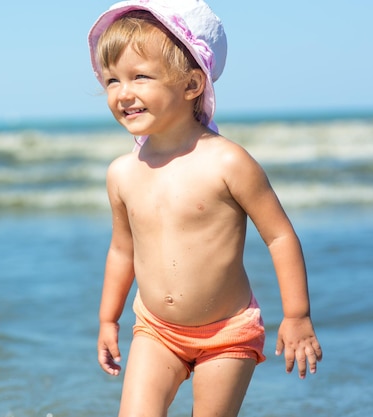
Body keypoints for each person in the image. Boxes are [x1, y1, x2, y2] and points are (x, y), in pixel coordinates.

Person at [87, 1, 323, 416]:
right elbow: (122, 250)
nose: (123, 93)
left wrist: (297, 315)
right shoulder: (123, 173)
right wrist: (109, 319)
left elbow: (280, 235)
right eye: (111, 80)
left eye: (139, 76)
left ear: (192, 84)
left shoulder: (227, 162)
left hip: (228, 334)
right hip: (156, 329)